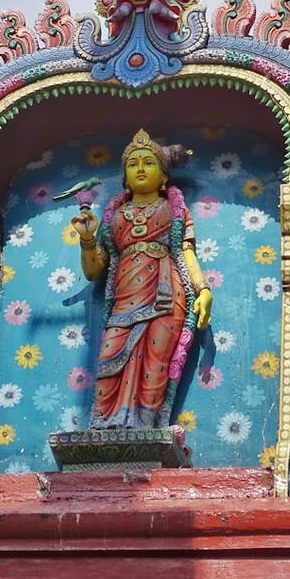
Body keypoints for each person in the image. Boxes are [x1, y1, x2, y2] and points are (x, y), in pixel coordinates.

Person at [71, 129, 212, 428]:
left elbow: (185, 251)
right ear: (125, 177)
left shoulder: (172, 210)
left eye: (148, 163)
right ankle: (105, 424)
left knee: (155, 360)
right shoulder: (114, 216)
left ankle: (143, 428)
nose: (140, 168)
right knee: (111, 357)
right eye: (133, 164)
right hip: (124, 296)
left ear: (163, 176)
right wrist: (86, 238)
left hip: (164, 292)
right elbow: (94, 270)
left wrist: (202, 289)